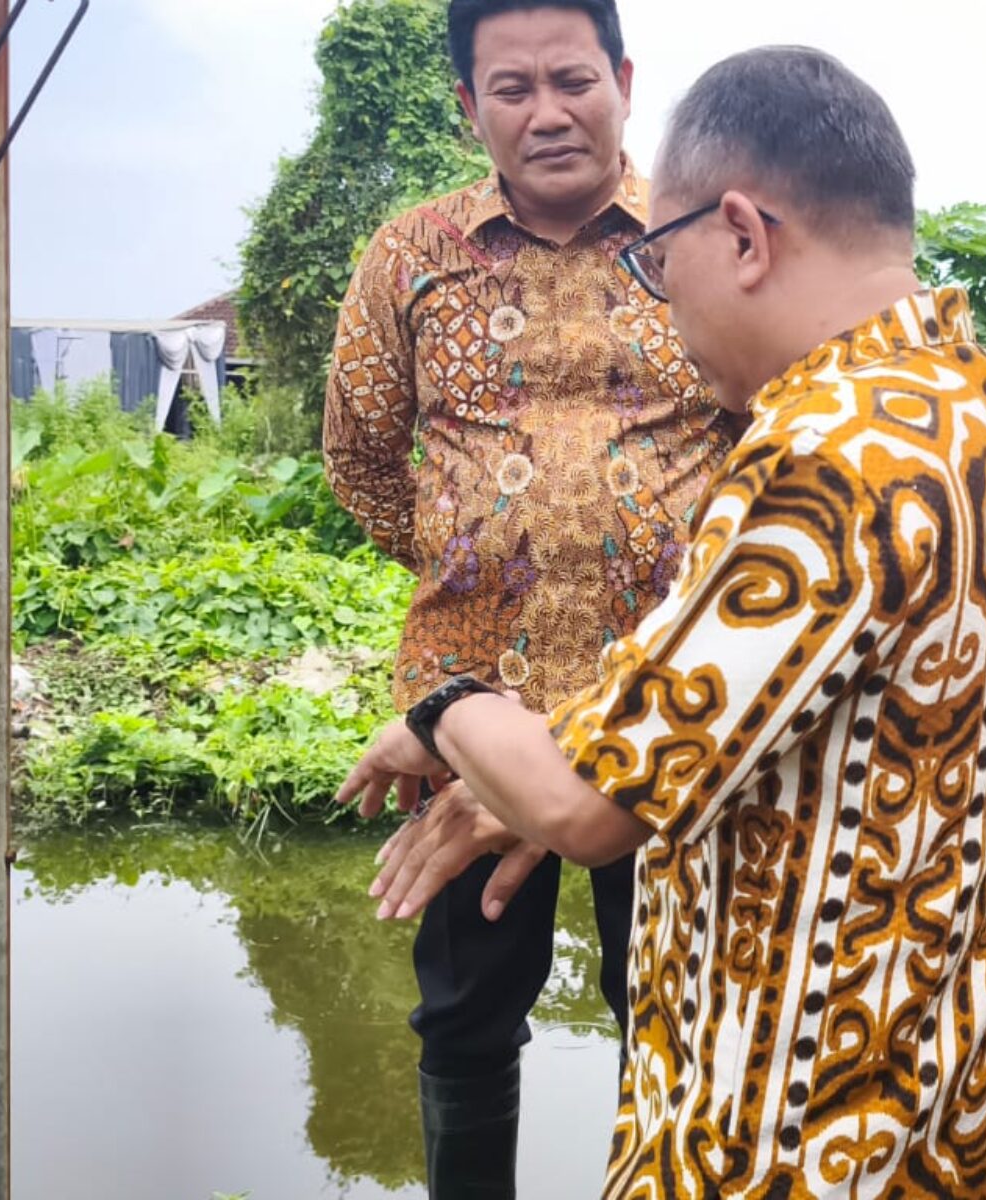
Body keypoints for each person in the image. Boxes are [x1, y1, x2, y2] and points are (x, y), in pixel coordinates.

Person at [334, 44, 986, 1199]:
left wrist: (449, 704)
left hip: (780, 1135)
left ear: (741, 234)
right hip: (948, 1113)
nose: (661, 302)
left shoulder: (822, 455)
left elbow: (580, 807)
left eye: (657, 258)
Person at [320, 2, 734, 1194]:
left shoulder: (697, 238)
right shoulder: (409, 255)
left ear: (623, 80)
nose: (547, 112)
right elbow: (358, 456)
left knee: (661, 997)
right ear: (468, 106)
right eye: (512, 88)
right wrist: (473, 558)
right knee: (463, 1008)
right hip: (470, 701)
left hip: (671, 700)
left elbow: (767, 438)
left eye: (571, 79)